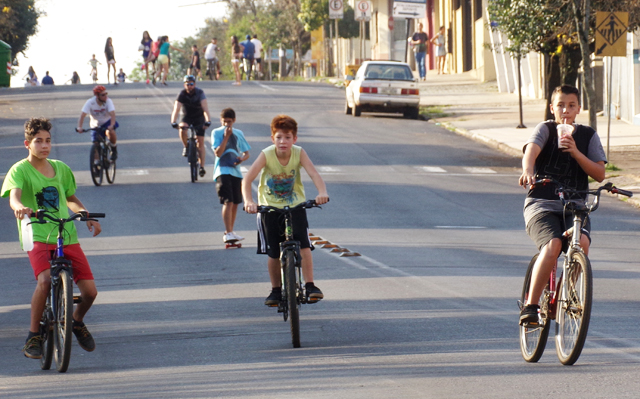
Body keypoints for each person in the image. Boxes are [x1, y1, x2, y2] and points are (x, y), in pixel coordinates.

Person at [1, 117, 103, 359]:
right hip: (36, 233)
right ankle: (34, 335)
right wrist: (19, 207)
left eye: (48, 141)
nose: (44, 146)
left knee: (90, 292)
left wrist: (85, 215)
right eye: (38, 141)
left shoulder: (61, 168)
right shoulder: (20, 169)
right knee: (45, 281)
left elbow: (70, 198)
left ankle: (76, 321)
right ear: (27, 144)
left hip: (64, 234)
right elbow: (13, 196)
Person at [518, 85, 606, 326]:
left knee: (583, 242)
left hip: (575, 205)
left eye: (570, 106)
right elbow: (531, 152)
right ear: (551, 108)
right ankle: (531, 306)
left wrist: (576, 152)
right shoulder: (545, 129)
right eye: (560, 105)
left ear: (579, 109)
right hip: (542, 203)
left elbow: (599, 173)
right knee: (554, 244)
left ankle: (568, 292)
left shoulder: (588, 136)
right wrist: (528, 170)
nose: (565, 111)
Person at [242, 115, 329, 306]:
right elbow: (247, 179)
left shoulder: (299, 153)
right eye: (279, 137)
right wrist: (249, 201)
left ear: (294, 139)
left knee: (304, 244)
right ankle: (275, 290)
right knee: (273, 252)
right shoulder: (267, 154)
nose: (283, 142)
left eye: (288, 137)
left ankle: (310, 285)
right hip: (269, 209)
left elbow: (313, 173)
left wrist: (322, 192)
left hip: (295, 206)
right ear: (272, 138)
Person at [212, 108, 251, 243]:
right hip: (222, 171)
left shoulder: (239, 133)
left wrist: (241, 159)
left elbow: (247, 153)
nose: (227, 125)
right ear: (220, 120)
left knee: (235, 203)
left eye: (229, 122)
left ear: (234, 121)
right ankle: (227, 232)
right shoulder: (216, 132)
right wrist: (226, 136)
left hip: (236, 171)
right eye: (224, 122)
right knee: (227, 201)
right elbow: (218, 152)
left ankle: (231, 231)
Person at [170, 75, 212, 177]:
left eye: (191, 84)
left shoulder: (200, 93)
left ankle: (201, 167)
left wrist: (208, 121)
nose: (189, 86)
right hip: (187, 116)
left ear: (195, 84)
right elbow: (176, 109)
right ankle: (186, 147)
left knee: (200, 142)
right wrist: (173, 121)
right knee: (182, 129)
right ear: (184, 85)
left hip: (198, 117)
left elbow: (205, 109)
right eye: (187, 84)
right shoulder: (182, 94)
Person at [77, 85, 119, 161]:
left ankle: (113, 148)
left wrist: (112, 125)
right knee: (96, 143)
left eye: (106, 94)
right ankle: (97, 164)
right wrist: (79, 127)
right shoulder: (90, 102)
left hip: (107, 122)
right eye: (103, 95)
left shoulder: (108, 101)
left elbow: (112, 114)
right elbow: (82, 115)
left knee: (110, 132)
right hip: (95, 124)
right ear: (97, 96)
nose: (105, 96)